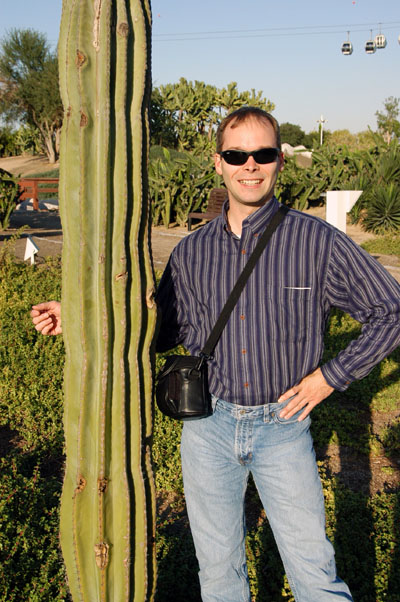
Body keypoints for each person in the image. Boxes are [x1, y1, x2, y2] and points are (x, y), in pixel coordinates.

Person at [32, 107, 400, 602]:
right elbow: (159, 329)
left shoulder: (318, 242)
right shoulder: (191, 251)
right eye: (237, 154)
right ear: (218, 163)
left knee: (315, 574)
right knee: (219, 574)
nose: (250, 165)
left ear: (279, 162)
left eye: (263, 153)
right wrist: (77, 316)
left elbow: (390, 312)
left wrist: (328, 379)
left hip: (283, 426)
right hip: (207, 425)